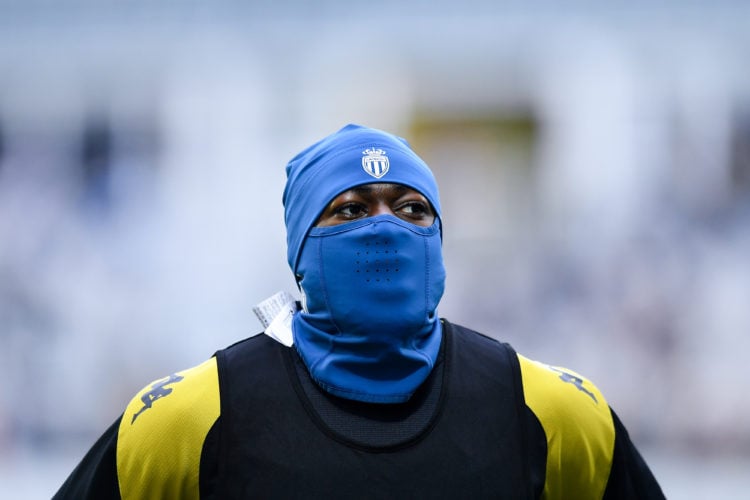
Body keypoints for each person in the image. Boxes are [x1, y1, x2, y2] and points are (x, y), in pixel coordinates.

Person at [54, 124, 665, 499]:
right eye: (349, 209)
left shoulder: (554, 414)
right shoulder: (186, 423)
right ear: (299, 253)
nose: (384, 227)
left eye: (411, 209)